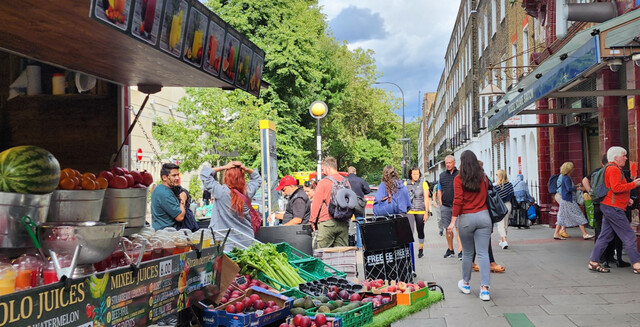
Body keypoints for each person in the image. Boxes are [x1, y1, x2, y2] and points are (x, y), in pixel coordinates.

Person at [447, 150, 492, 301]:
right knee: (483, 253)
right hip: (484, 217)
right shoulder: (483, 177)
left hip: (466, 218)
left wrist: (453, 222)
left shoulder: (459, 179)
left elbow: (458, 201)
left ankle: (465, 284)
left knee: (467, 253)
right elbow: (488, 194)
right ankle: (485, 290)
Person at [588, 146, 640, 274]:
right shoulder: (614, 169)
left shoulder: (610, 168)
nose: (626, 158)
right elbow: (616, 188)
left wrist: (626, 199)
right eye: (624, 155)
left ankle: (594, 262)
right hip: (614, 208)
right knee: (629, 235)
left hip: (609, 206)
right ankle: (637, 264)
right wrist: (634, 184)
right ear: (616, 157)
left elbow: (612, 189)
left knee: (605, 236)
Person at [200, 161, 261, 243]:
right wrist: (245, 168)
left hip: (223, 243)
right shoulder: (248, 192)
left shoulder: (220, 192)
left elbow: (205, 174)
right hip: (246, 241)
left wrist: (224, 167)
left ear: (226, 177)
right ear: (242, 178)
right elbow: (257, 179)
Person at [583, 154, 625, 268]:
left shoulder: (598, 171)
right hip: (609, 205)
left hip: (599, 205)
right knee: (611, 231)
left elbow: (584, 180)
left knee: (601, 231)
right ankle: (610, 257)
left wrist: (592, 193)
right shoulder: (611, 171)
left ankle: (603, 258)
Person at [310, 157, 350, 248]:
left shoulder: (324, 182)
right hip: (343, 222)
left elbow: (317, 203)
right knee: (342, 254)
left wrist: (312, 220)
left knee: (323, 254)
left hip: (327, 222)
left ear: (328, 168)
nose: (323, 172)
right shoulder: (346, 182)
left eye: (323, 169)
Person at [554, 162, 594, 240]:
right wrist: (579, 188)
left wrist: (575, 186)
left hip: (564, 200)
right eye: (572, 168)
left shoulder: (564, 177)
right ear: (569, 169)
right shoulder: (567, 178)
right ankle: (584, 234)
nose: (573, 169)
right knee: (579, 215)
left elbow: (566, 187)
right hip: (569, 200)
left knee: (561, 217)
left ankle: (556, 233)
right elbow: (569, 189)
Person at [439, 155, 463, 259]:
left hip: (457, 206)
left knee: (458, 229)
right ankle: (450, 249)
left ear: (454, 163)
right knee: (448, 229)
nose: (448, 165)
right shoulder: (442, 175)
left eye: (450, 163)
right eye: (446, 163)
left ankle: (461, 251)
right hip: (445, 206)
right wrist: (440, 203)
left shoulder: (460, 174)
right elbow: (439, 190)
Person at [151, 163, 187, 230]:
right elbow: (180, 217)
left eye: (177, 175)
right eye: (174, 175)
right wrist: (182, 200)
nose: (177, 178)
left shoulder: (160, 189)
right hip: (166, 235)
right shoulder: (164, 193)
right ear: (164, 177)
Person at [405, 166, 430, 258]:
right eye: (414, 174)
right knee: (409, 231)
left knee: (420, 230)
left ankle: (421, 248)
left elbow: (426, 198)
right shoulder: (405, 184)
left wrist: (427, 212)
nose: (416, 176)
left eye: (417, 174)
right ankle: (409, 249)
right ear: (410, 174)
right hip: (409, 211)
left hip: (420, 211)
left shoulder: (424, 184)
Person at [346, 166, 371, 249]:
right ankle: (359, 245)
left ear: (348, 172)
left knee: (346, 223)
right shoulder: (360, 180)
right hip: (358, 203)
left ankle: (347, 243)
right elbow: (368, 190)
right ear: (355, 172)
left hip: (347, 203)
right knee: (359, 223)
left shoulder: (345, 181)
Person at [494, 170, 514, 249]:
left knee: (500, 224)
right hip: (508, 204)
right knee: (506, 223)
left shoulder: (496, 187)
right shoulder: (510, 185)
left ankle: (504, 240)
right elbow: (511, 195)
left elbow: (495, 198)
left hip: (499, 206)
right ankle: (503, 240)